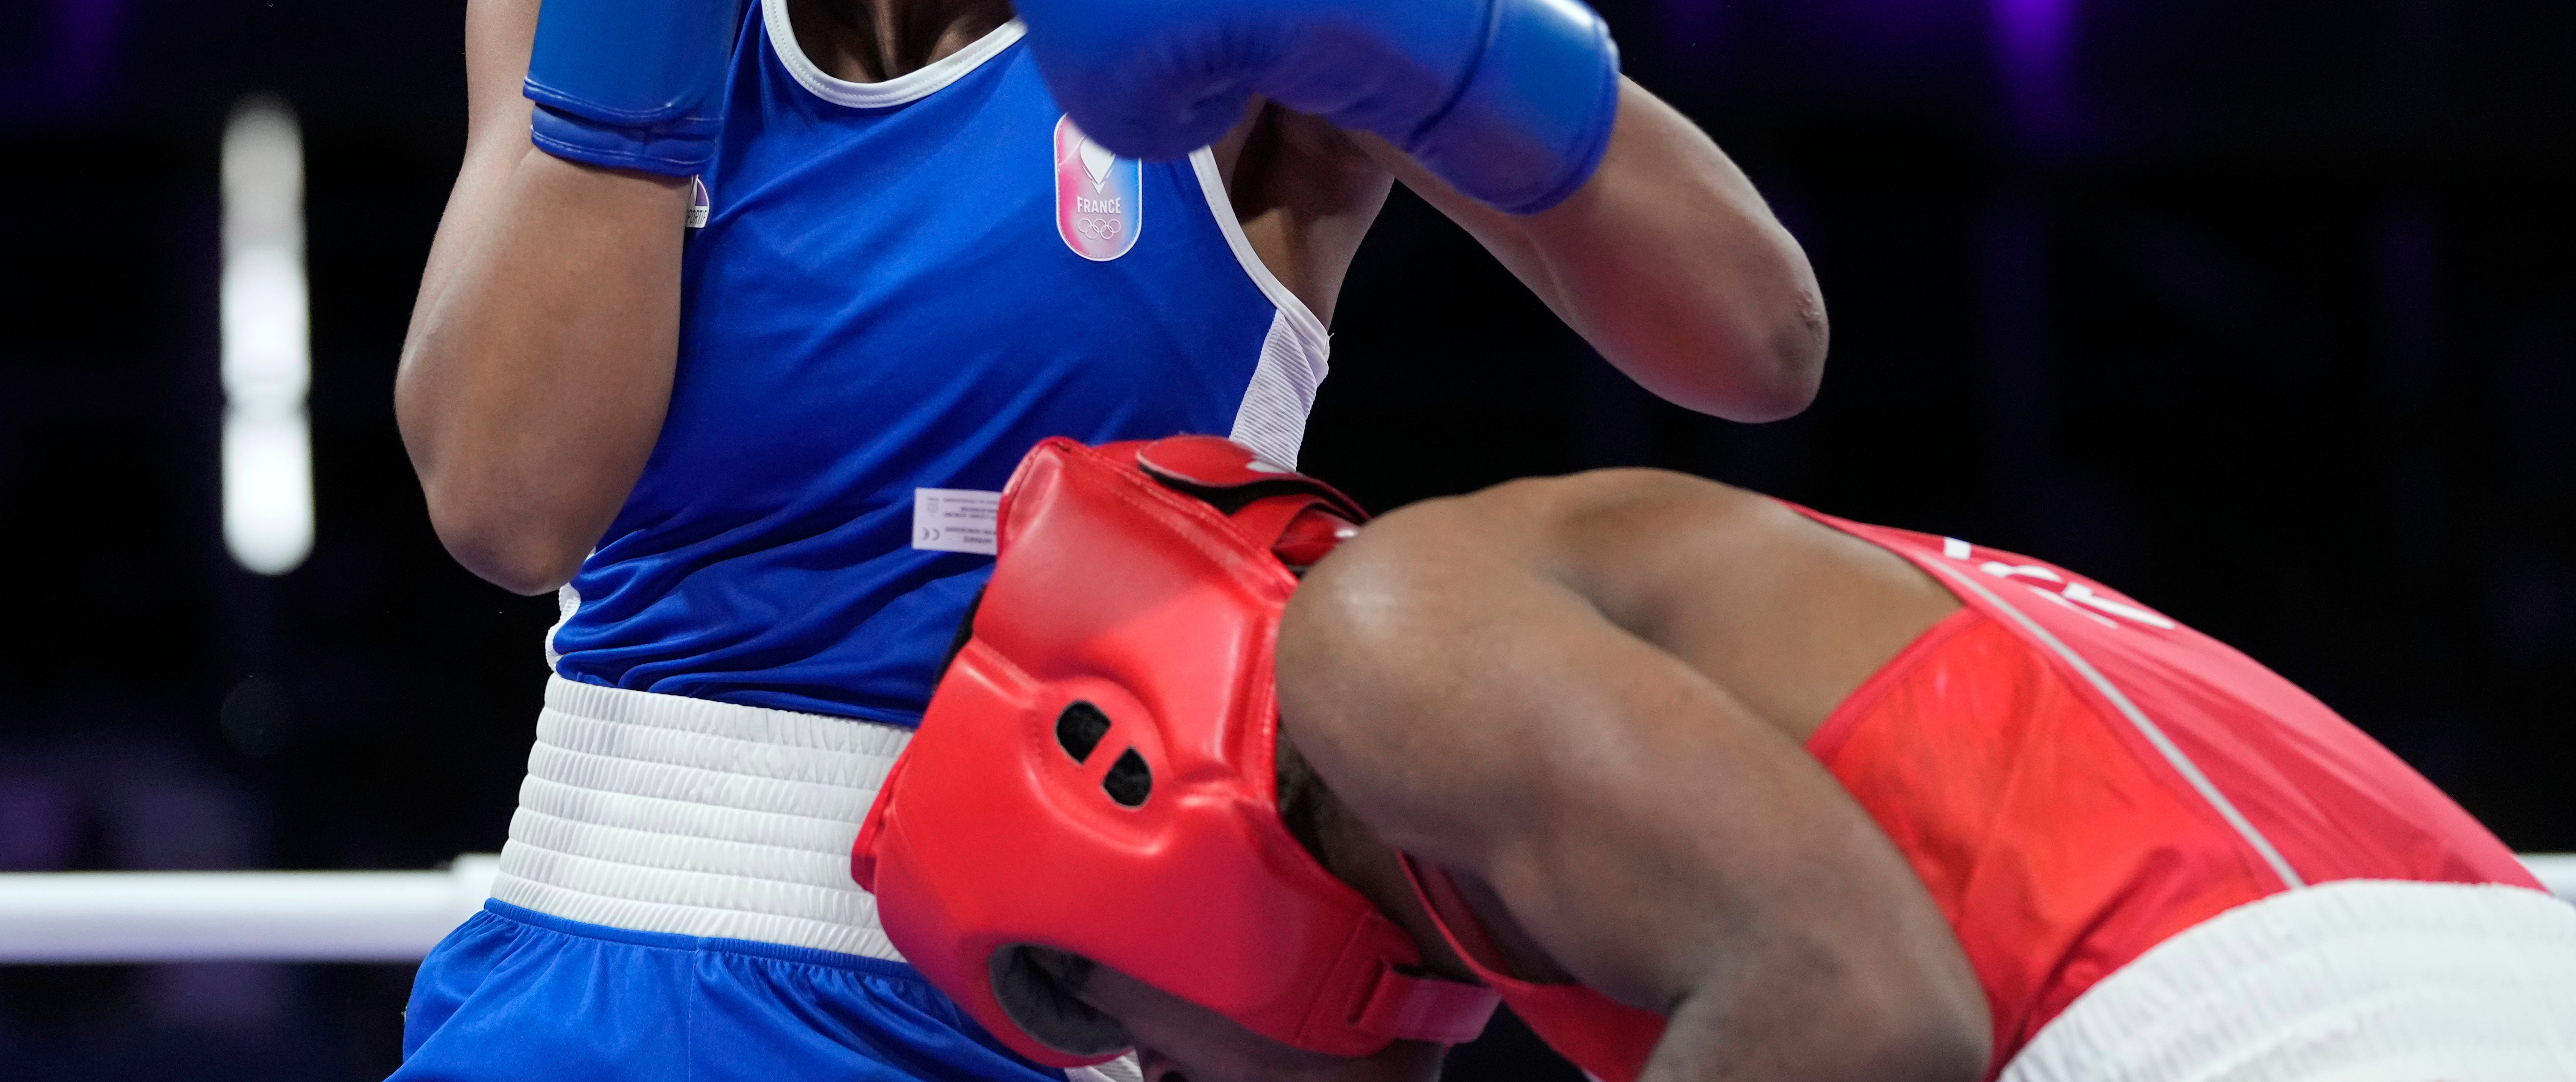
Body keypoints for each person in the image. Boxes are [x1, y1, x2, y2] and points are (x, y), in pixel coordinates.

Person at [390, 0, 1826, 1082]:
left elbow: (1758, 344)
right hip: (589, 989)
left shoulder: (1252, 10)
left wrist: (1449, 24)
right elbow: (508, 506)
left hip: (1065, 1018)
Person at [856, 435, 2576, 1082]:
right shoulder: (1603, 759)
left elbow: (1858, 1004)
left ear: (1136, 806)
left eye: (1145, 1058)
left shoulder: (1379, 639)